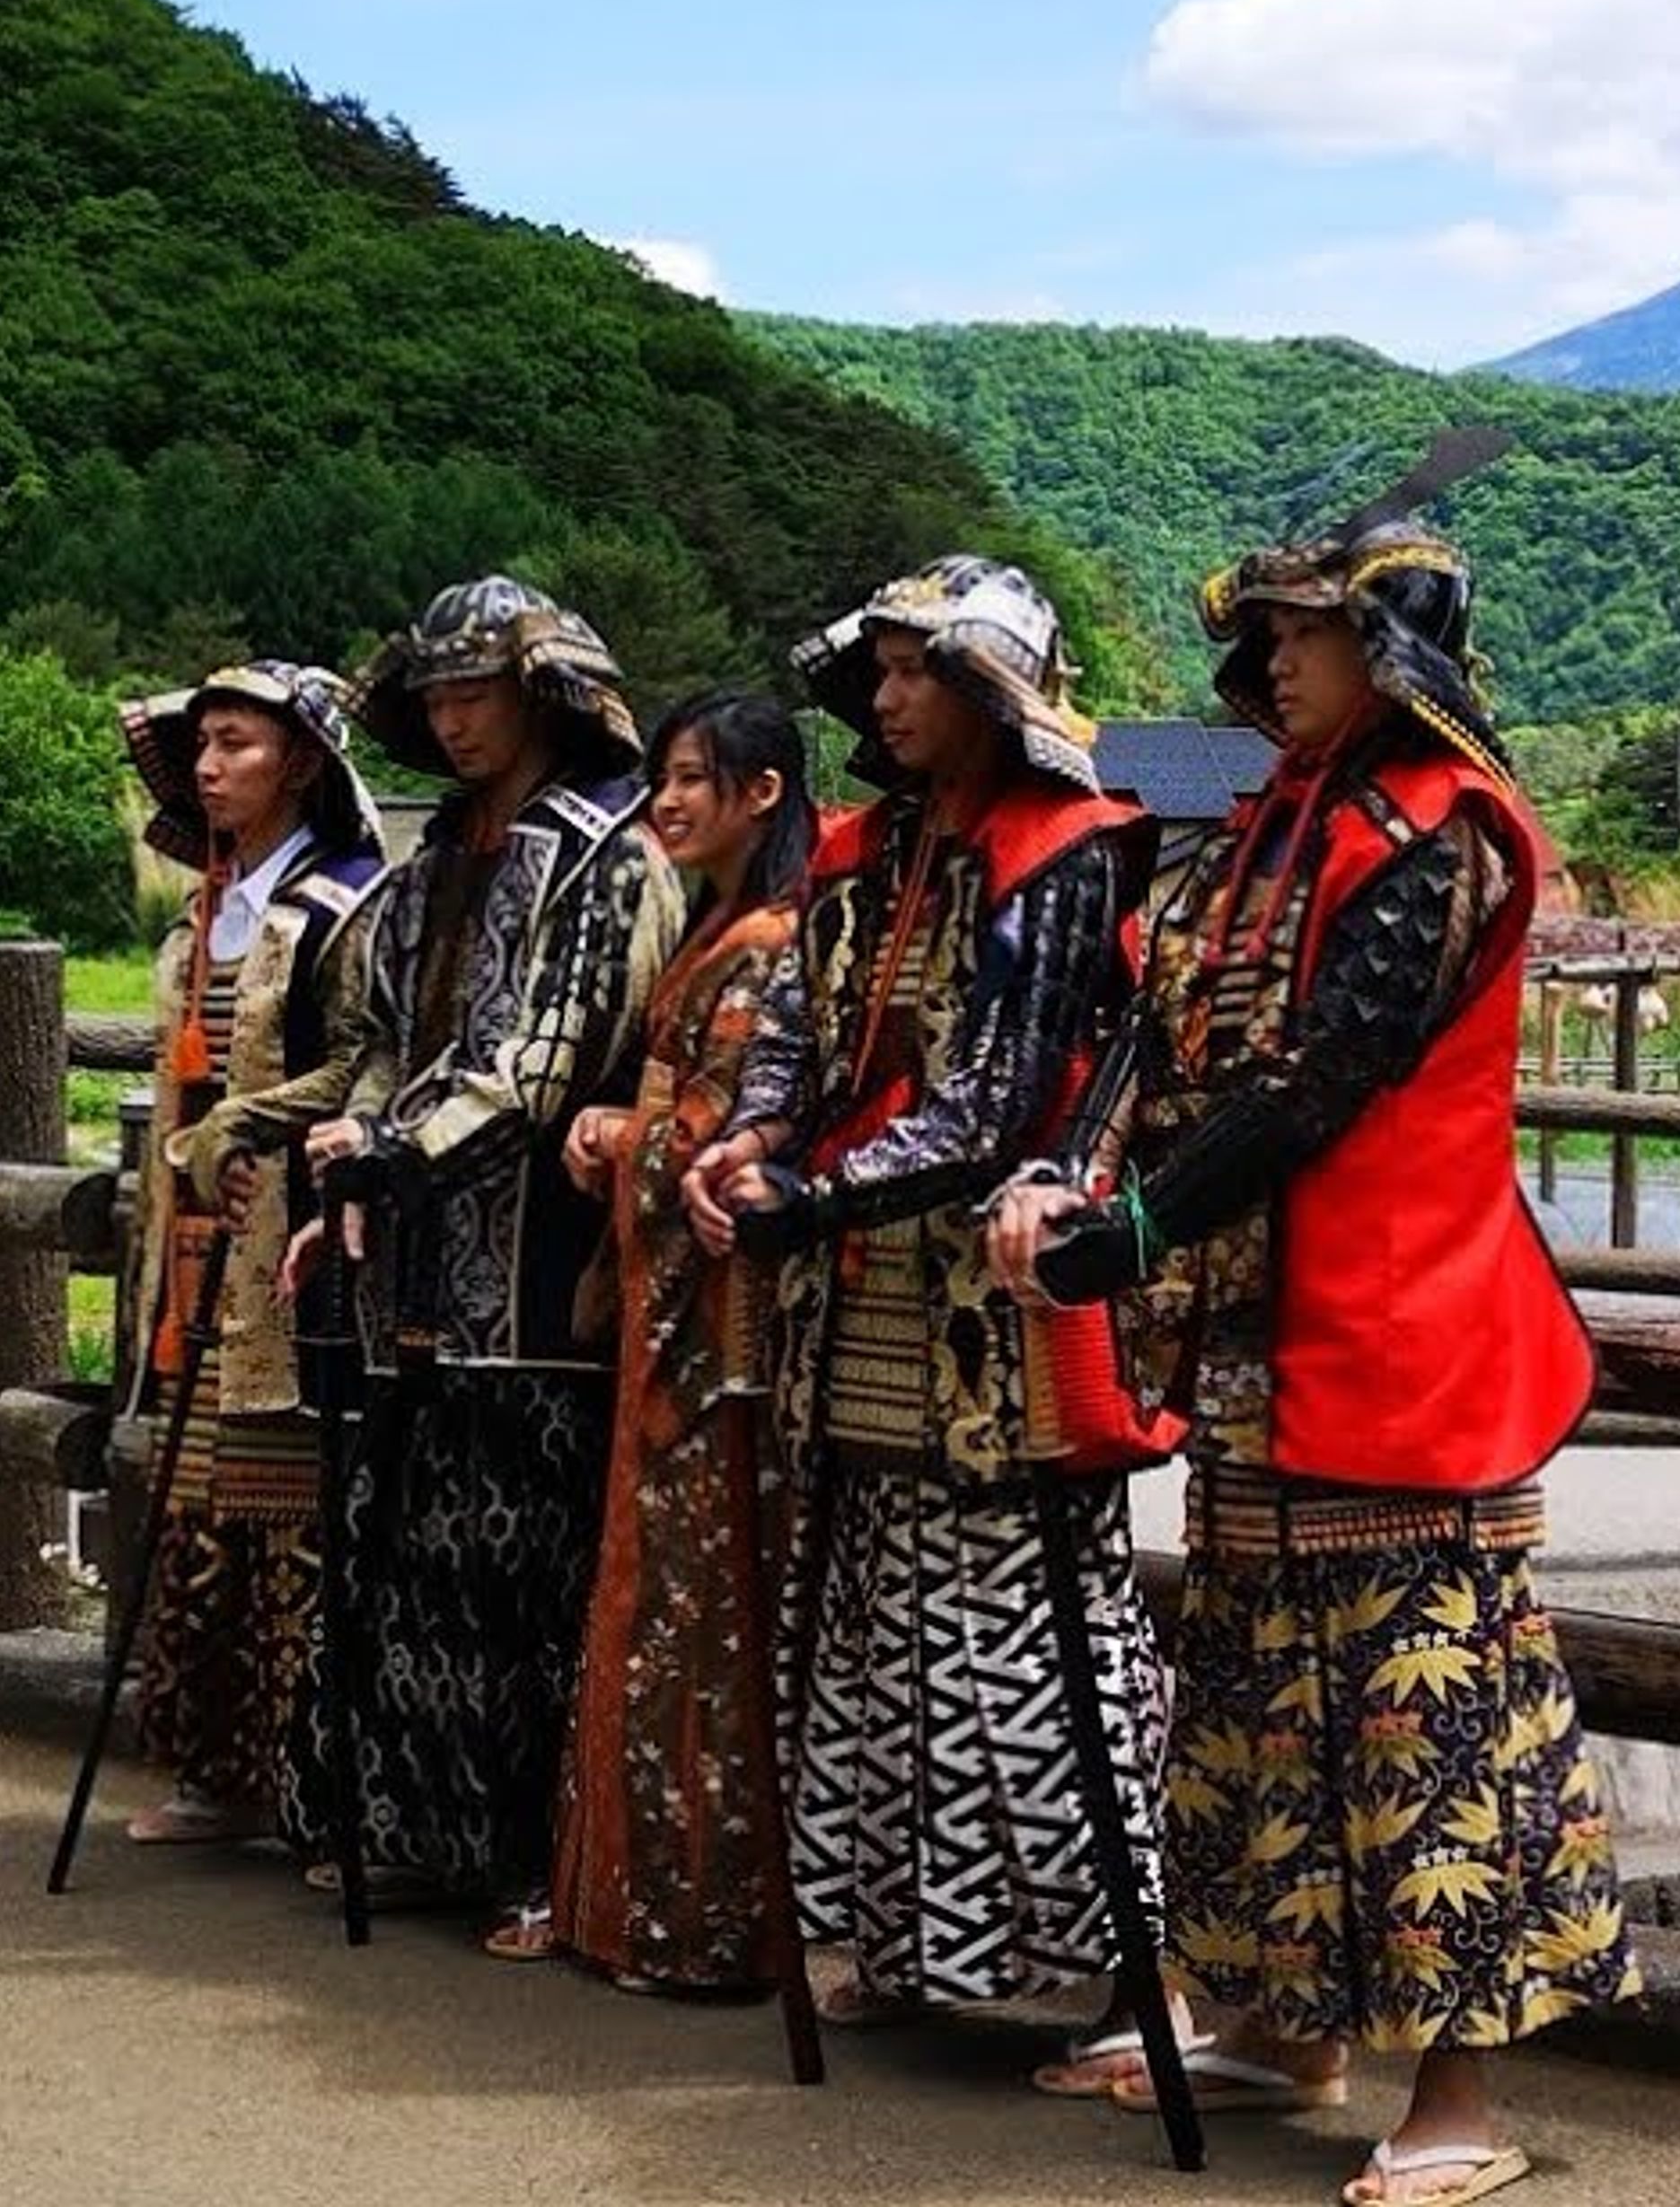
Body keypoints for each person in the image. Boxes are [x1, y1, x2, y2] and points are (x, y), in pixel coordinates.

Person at [992, 482, 1640, 2206]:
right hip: (1261, 1333)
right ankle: (1276, 2023)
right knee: (1257, 1690)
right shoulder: (1281, 812)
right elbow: (1157, 1024)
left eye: (1303, 632)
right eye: (1261, 635)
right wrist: (1085, 1171)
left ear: (1392, 645)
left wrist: (1133, 1229)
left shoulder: (1448, 829)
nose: (1266, 662)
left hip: (1407, 1329)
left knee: (1430, 1715)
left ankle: (1461, 2094)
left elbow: (1323, 1078)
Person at [680, 558, 1176, 2046]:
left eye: (916, 672)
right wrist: (752, 1135)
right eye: (878, 673)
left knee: (1026, 1631)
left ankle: (1109, 1971)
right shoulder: (860, 850)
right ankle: (909, 1947)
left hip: (997, 1297)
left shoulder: (1069, 846)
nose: (887, 699)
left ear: (985, 687)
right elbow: (794, 1032)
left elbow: (1001, 1095)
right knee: (876, 1627)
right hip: (860, 1291)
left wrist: (811, 1197)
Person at [291, 576, 680, 1932]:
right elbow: (394, 1039)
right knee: (400, 1552)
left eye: (479, 692)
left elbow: (546, 1062)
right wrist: (351, 1137)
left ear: (545, 695)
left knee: (528, 1576)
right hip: (415, 1265)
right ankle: (401, 1826)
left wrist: (390, 1153)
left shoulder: (607, 851)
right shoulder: (435, 854)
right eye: (439, 695)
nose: (455, 719)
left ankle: (533, 1859)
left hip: (536, 1263)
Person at [527, 693, 816, 1989]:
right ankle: (644, 1905)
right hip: (671, 1319)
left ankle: (700, 1919)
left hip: (717, 1330)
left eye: (697, 777)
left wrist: (618, 1137)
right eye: (664, 776)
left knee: (701, 1614)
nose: (670, 799)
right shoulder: (725, 928)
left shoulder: (766, 941)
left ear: (763, 791)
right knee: (668, 1608)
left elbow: (721, 1139)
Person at [115, 664, 384, 1851]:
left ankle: (308, 1781)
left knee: (287, 1509)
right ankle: (215, 1774)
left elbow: (374, 1061)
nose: (214, 768)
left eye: (237, 745)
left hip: (287, 1243)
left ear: (303, 765)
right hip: (194, 1253)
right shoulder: (205, 910)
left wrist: (259, 1130)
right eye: (204, 750)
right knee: (199, 1497)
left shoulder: (343, 904)